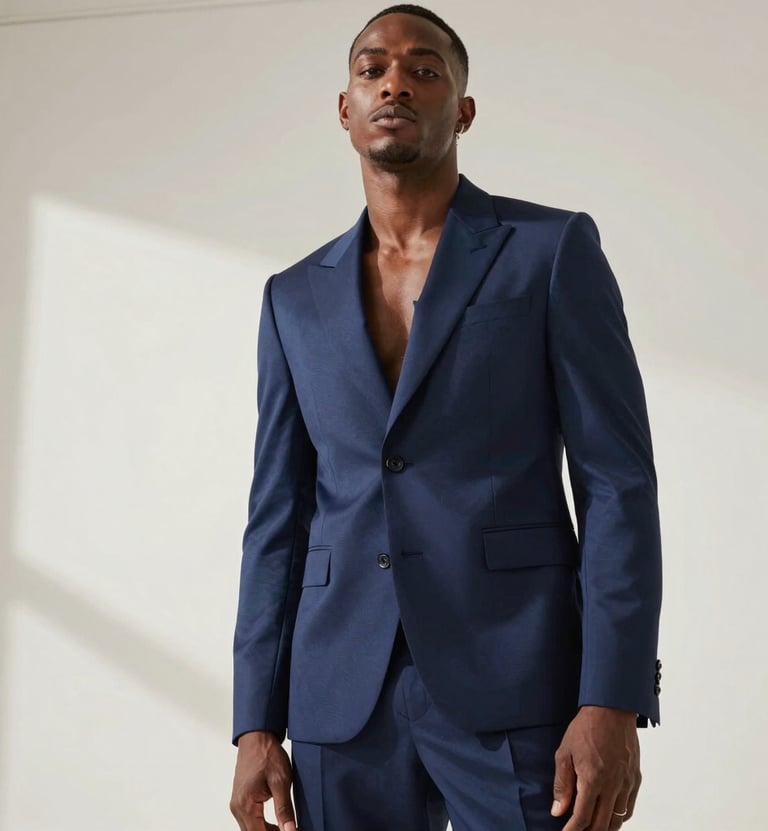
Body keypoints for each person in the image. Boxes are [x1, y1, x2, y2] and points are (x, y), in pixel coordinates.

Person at [229, 5, 663, 831]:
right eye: (373, 69)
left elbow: (617, 484)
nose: (395, 83)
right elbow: (276, 518)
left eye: (424, 70)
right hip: (338, 696)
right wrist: (256, 719)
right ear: (346, 108)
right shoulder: (293, 298)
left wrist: (611, 695)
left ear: (463, 110)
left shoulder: (549, 251)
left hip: (520, 681)